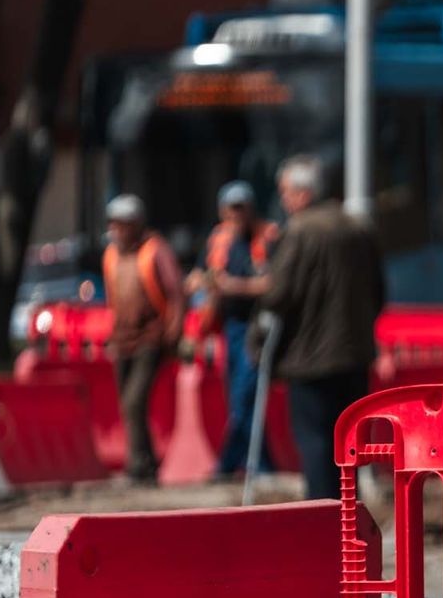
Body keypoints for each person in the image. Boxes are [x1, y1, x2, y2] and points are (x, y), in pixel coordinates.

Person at [258, 155, 384, 500]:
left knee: (315, 441)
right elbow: (378, 292)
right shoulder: (358, 227)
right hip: (354, 354)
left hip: (309, 358)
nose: (283, 200)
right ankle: (348, 512)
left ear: (301, 194)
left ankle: (323, 513)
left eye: (285, 192)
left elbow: (279, 295)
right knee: (349, 442)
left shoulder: (300, 231)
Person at [196, 181, 278, 478]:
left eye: (241, 207)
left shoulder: (267, 238)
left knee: (246, 394)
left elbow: (274, 282)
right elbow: (200, 275)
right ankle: (261, 462)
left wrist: (235, 287)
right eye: (231, 208)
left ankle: (231, 461)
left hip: (256, 326)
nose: (236, 214)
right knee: (239, 397)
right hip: (229, 327)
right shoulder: (218, 240)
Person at [101, 194, 183, 483]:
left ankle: (139, 466)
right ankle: (146, 463)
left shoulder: (154, 250)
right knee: (127, 403)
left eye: (123, 224)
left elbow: (175, 292)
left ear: (136, 224)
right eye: (114, 224)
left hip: (150, 339)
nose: (117, 230)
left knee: (134, 401)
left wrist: (174, 331)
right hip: (122, 340)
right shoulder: (111, 254)